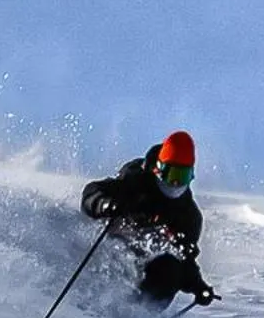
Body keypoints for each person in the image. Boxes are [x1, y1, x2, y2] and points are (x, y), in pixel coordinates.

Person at [80, 129, 218, 307]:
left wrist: (197, 286)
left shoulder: (188, 216)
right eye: (173, 175)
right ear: (159, 169)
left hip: (146, 266)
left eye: (182, 176)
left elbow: (184, 258)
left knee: (171, 268)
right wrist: (105, 205)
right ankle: (90, 302)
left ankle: (141, 314)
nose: (176, 183)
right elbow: (91, 193)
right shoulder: (135, 182)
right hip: (109, 250)